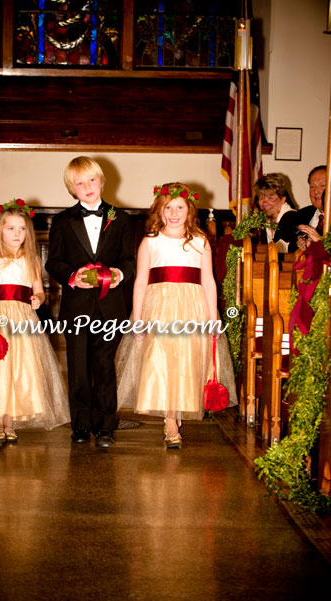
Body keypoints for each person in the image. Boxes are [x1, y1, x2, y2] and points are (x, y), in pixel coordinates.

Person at [116, 183, 218, 449]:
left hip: (192, 308)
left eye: (180, 208)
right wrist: (137, 318)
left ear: (190, 210)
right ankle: (170, 421)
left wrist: (213, 315)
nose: (174, 213)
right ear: (159, 212)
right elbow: (140, 282)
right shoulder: (150, 242)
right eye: (167, 208)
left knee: (185, 361)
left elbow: (208, 280)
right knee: (161, 360)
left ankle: (177, 410)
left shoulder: (200, 241)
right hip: (159, 309)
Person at [45, 156, 135, 448]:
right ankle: (81, 425)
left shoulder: (122, 219)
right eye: (79, 183)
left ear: (101, 181)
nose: (87, 187)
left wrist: (119, 273)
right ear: (72, 188)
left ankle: (106, 426)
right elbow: (54, 262)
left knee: (105, 367)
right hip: (76, 307)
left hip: (111, 307)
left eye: (91, 180)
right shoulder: (61, 221)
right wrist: (72, 275)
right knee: (79, 368)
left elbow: (129, 260)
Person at [0, 199, 70, 442]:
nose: (17, 234)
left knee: (20, 367)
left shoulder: (31, 259)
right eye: (11, 228)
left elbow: (39, 289)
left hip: (23, 318)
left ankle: (10, 421)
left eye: (22, 229)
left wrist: (38, 298)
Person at [254, 173, 297, 252]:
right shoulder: (265, 221)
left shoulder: (293, 219)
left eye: (271, 198)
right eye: (261, 198)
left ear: (283, 199)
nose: (265, 203)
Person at [295, 165, 326, 250]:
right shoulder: (301, 215)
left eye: (322, 185)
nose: (316, 191)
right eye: (312, 187)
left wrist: (320, 243)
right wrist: (300, 247)